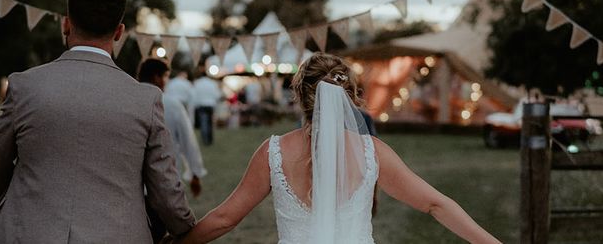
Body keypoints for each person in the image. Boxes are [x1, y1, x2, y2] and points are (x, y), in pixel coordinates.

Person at [174, 52, 504, 244]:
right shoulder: (372, 152)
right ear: (350, 98)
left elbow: (225, 218)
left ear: (300, 96)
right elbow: (434, 204)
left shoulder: (273, 152)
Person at [0, 0, 195, 244]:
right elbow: (165, 190)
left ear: (66, 24)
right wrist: (185, 228)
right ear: (119, 32)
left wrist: (22, 199)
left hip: (25, 232)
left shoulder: (26, 86)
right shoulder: (145, 98)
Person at [139, 58, 208, 243]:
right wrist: (195, 173)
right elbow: (188, 141)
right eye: (165, 77)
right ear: (157, 77)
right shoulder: (170, 104)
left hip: (131, 189)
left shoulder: (128, 102)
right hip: (164, 185)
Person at [192, 67, 223, 146]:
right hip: (210, 105)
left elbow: (194, 95)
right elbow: (217, 95)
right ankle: (209, 139)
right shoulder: (212, 83)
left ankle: (205, 139)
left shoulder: (197, 83)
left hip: (201, 105)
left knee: (204, 122)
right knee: (209, 122)